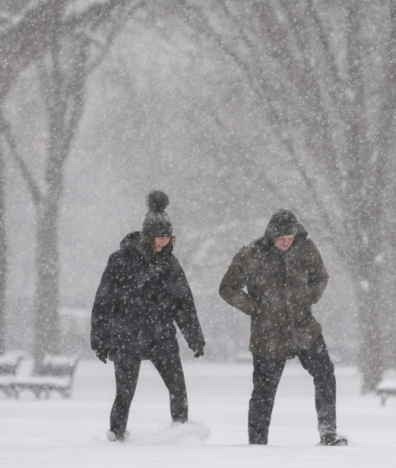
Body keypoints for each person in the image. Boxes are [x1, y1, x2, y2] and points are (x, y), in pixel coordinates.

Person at [219, 208, 347, 446]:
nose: (287, 241)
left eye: (290, 236)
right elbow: (227, 288)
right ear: (271, 236)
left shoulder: (306, 249)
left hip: (304, 329)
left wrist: (309, 296)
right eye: (282, 237)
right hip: (268, 334)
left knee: (325, 373)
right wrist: (256, 308)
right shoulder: (251, 254)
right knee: (264, 391)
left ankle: (328, 431)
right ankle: (257, 443)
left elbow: (321, 277)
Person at [91, 190, 205, 442]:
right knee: (125, 392)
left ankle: (181, 433)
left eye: (168, 237)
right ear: (147, 236)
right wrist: (99, 338)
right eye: (159, 237)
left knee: (178, 388)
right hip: (126, 336)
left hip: (161, 335)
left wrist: (194, 336)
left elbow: (183, 304)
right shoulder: (120, 260)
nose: (164, 242)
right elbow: (104, 302)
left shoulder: (170, 264)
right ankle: (116, 435)